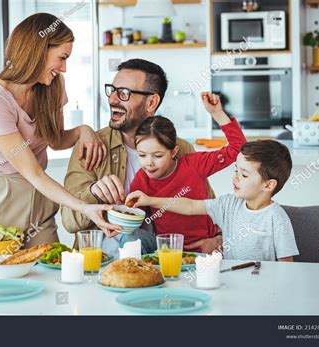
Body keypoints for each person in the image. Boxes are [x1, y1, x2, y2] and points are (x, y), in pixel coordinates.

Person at [0, 13, 121, 248]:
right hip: (2, 197)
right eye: (61, 58)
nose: (64, 68)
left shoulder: (51, 87)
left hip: (40, 197)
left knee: (51, 269)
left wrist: (84, 129)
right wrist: (83, 207)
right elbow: (32, 172)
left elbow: (56, 140)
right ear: (38, 50)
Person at [62, 59, 216, 255]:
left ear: (151, 102)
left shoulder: (181, 148)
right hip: (103, 263)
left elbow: (211, 207)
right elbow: (68, 221)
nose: (112, 100)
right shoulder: (91, 146)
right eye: (112, 90)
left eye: (124, 93)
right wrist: (93, 192)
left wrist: (218, 239)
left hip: (166, 260)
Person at [127, 139, 299, 261]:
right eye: (236, 171)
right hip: (230, 280)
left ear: (268, 185)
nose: (236, 178)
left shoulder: (277, 218)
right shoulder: (228, 204)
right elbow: (189, 206)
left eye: (244, 175)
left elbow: (286, 267)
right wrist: (150, 200)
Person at [125, 92, 247, 251]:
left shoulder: (194, 165)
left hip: (204, 248)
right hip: (166, 250)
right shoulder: (141, 179)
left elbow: (238, 149)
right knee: (130, 237)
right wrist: (124, 214)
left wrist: (217, 113)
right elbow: (136, 217)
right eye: (142, 155)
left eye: (158, 155)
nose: (149, 163)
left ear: (173, 152)